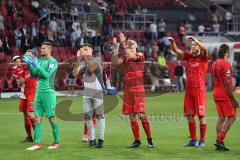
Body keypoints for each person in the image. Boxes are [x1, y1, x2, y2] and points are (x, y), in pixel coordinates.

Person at [112, 33, 154, 148]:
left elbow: (132, 56)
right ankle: (137, 140)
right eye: (129, 43)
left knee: (141, 114)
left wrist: (124, 43)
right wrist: (116, 48)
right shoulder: (125, 57)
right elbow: (115, 63)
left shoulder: (140, 55)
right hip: (128, 89)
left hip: (138, 89)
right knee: (132, 115)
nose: (130, 45)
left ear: (136, 46)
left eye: (132, 43)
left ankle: (149, 139)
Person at [169, 36, 208, 148]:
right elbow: (176, 51)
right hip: (189, 90)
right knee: (189, 115)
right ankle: (193, 139)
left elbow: (205, 49)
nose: (193, 46)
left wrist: (196, 40)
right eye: (192, 44)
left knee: (201, 115)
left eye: (195, 45)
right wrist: (173, 42)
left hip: (199, 90)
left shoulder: (203, 57)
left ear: (199, 46)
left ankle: (202, 140)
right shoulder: (189, 57)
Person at [23, 41, 59, 150]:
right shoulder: (39, 60)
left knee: (51, 118)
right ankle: (37, 143)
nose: (41, 50)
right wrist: (30, 64)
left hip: (49, 93)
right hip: (38, 93)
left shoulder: (53, 62)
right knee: (37, 118)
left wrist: (37, 65)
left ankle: (56, 142)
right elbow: (34, 74)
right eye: (41, 48)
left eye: (43, 48)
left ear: (49, 49)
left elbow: (47, 75)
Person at [72, 43, 105, 148]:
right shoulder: (83, 63)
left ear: (91, 51)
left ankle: (100, 139)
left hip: (97, 91)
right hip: (87, 93)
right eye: (82, 50)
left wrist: (84, 58)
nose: (83, 51)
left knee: (100, 116)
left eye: (85, 49)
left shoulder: (97, 60)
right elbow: (74, 73)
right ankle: (91, 139)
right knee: (87, 117)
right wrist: (78, 59)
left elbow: (91, 69)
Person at [212, 44, 239, 151]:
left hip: (216, 93)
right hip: (224, 95)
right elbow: (226, 81)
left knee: (222, 118)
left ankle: (218, 141)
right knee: (232, 117)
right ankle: (220, 140)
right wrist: (233, 99)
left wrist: (233, 88)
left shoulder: (215, 63)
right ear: (227, 51)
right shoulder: (225, 64)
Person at [11, 52, 37, 142]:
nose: (28, 57)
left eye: (30, 55)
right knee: (25, 116)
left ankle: (37, 135)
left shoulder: (36, 67)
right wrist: (18, 78)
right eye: (26, 55)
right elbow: (19, 84)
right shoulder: (23, 69)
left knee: (31, 114)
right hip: (23, 94)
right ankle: (29, 136)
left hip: (32, 94)